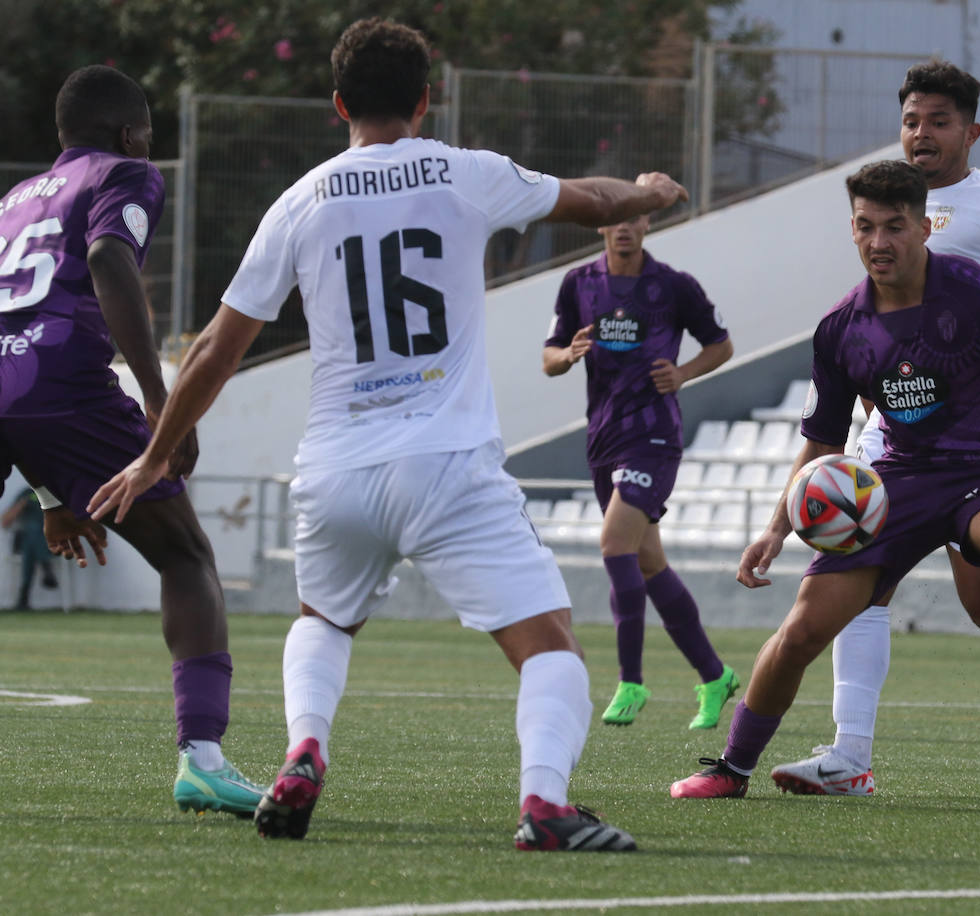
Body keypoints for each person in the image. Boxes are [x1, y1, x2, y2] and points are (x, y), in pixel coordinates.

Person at [89, 18, 689, 851]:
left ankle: (303, 752)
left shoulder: (299, 200)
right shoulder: (464, 173)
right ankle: (545, 805)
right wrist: (652, 193)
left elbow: (218, 348)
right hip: (445, 464)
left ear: (338, 104)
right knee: (551, 648)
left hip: (335, 470)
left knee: (324, 623)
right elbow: (595, 202)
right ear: (425, 98)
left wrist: (156, 452)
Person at [668, 160, 980, 799]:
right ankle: (731, 770)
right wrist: (776, 529)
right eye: (865, 226)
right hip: (898, 483)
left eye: (895, 227)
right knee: (802, 629)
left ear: (924, 228)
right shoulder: (840, 328)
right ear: (851, 229)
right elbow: (822, 443)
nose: (879, 242)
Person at [768, 60, 980, 797]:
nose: (921, 134)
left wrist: (977, 382)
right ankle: (849, 756)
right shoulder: (885, 205)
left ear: (969, 131)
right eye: (911, 120)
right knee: (860, 585)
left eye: (938, 121)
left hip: (972, 442)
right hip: (889, 436)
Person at [0, 65, 267, 817]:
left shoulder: (13, 199)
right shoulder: (127, 172)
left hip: (7, 377)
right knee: (186, 556)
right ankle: (203, 760)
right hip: (66, 379)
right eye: (147, 133)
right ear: (130, 133)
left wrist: (52, 491)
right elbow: (109, 258)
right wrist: (160, 399)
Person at [543, 215, 739, 729]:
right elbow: (549, 356)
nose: (624, 227)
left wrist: (684, 373)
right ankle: (715, 676)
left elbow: (720, 344)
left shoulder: (673, 285)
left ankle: (631, 682)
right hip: (603, 439)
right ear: (602, 227)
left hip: (654, 436)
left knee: (614, 545)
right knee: (649, 563)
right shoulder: (579, 283)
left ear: (647, 223)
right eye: (614, 219)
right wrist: (568, 355)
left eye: (634, 218)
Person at [2, 490, 58, 609]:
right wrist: (21, 505)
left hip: (53, 542)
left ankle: (23, 597)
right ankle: (46, 566)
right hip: (28, 543)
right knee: (32, 532)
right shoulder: (27, 494)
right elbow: (5, 522)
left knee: (34, 533)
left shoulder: (55, 491)